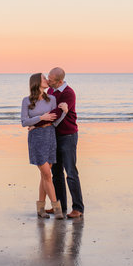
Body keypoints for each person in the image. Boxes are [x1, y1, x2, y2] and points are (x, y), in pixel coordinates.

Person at [21, 72, 69, 219]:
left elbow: (55, 121)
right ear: (36, 82)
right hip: (36, 138)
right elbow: (24, 122)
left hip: (50, 136)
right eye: (43, 78)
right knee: (48, 174)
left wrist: (64, 112)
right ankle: (57, 208)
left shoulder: (52, 99)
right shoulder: (26, 100)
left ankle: (40, 208)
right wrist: (40, 118)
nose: (47, 80)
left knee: (44, 175)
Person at [46, 67, 83, 218]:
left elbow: (57, 114)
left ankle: (78, 208)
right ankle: (60, 206)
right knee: (56, 173)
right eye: (48, 78)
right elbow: (47, 108)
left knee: (71, 172)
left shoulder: (68, 93)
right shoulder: (50, 91)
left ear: (60, 81)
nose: (48, 81)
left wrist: (39, 122)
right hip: (53, 136)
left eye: (51, 79)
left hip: (68, 135)